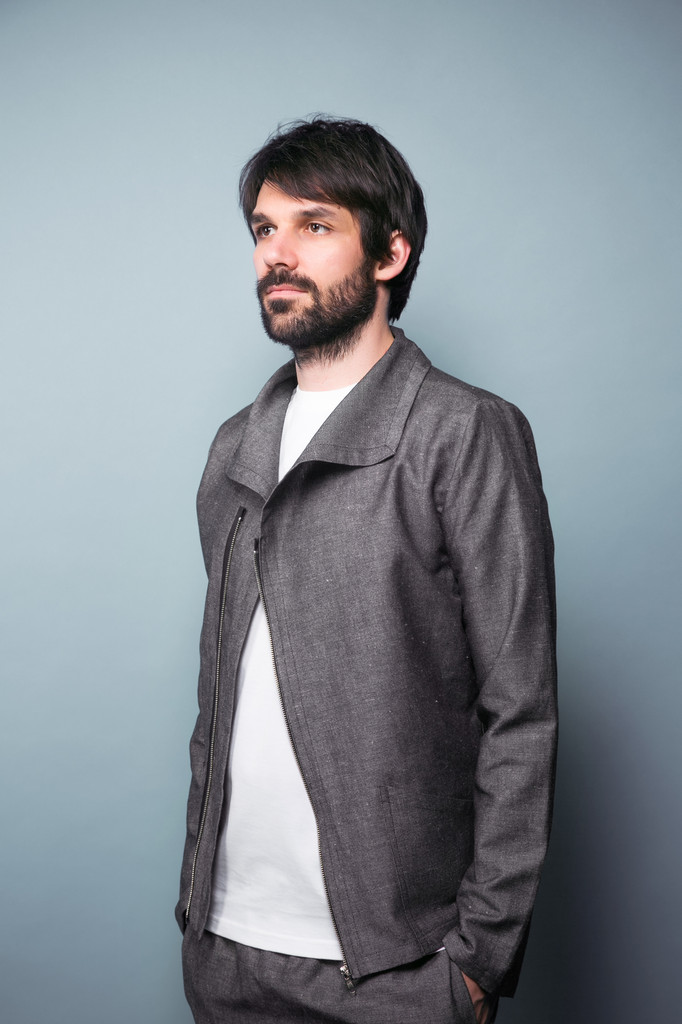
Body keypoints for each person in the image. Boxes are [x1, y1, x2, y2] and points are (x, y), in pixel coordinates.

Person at [177, 116, 557, 1024]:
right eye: (264, 229)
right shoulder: (234, 447)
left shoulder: (464, 431)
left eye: (314, 226)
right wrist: (195, 904)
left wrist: (479, 958)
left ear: (390, 252)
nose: (277, 254)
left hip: (399, 968)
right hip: (226, 952)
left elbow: (521, 710)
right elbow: (221, 694)